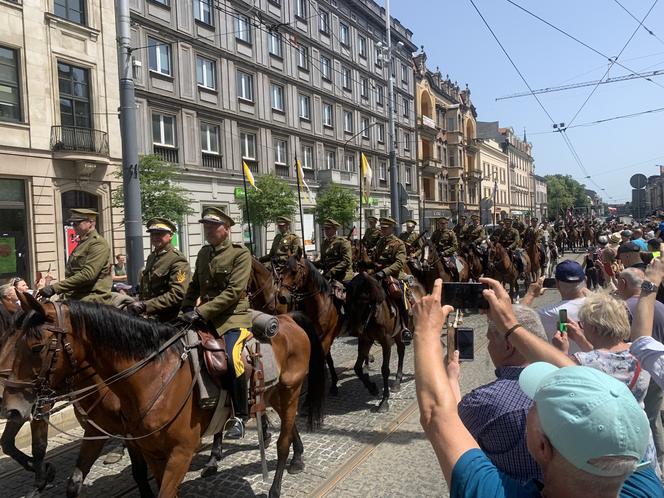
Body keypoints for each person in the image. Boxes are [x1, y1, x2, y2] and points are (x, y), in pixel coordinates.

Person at [414, 277, 662, 498]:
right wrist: (510, 325)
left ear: (542, 447)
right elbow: (584, 380)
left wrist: (425, 330)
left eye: (538, 404)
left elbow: (438, 413)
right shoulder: (645, 485)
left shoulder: (493, 490)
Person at [453, 305, 547, 484]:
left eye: (490, 340)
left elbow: (448, 423)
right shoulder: (572, 382)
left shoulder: (484, 401)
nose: (488, 346)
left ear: (508, 346)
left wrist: (450, 377)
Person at [180, 207, 252, 439]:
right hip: (205, 316)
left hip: (233, 317)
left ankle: (241, 415)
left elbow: (233, 292)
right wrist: (186, 308)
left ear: (227, 229)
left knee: (233, 359)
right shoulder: (203, 254)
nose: (208, 229)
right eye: (206, 225)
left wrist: (201, 311)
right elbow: (193, 286)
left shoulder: (240, 254)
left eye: (213, 225)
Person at [617, 267, 664, 469]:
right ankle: (660, 460)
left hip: (634, 375)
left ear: (623, 284)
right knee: (654, 418)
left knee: (640, 419)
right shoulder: (661, 305)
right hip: (657, 370)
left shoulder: (621, 309)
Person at [38, 208, 112, 303]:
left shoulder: (98, 243)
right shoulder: (83, 243)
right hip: (75, 296)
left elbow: (88, 274)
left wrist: (54, 288)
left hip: (92, 298)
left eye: (77, 223)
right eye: (72, 223)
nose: (74, 226)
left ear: (91, 223)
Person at [127, 218, 191, 322]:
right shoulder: (152, 257)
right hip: (149, 316)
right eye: (152, 234)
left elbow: (178, 293)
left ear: (170, 236)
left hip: (168, 318)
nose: (155, 237)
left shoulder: (177, 259)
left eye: (160, 234)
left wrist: (145, 305)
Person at [529, 260, 587, 353]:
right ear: (585, 281)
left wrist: (530, 294)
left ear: (557, 284)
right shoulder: (602, 307)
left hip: (562, 364)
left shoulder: (547, 312)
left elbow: (513, 320)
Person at [372, 217, 411, 342]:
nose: (383, 230)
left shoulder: (399, 244)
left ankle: (405, 327)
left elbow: (399, 263)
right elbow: (376, 258)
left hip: (394, 276)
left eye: (385, 228)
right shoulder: (380, 242)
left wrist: (384, 272)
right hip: (378, 274)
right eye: (382, 228)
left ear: (391, 228)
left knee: (399, 296)